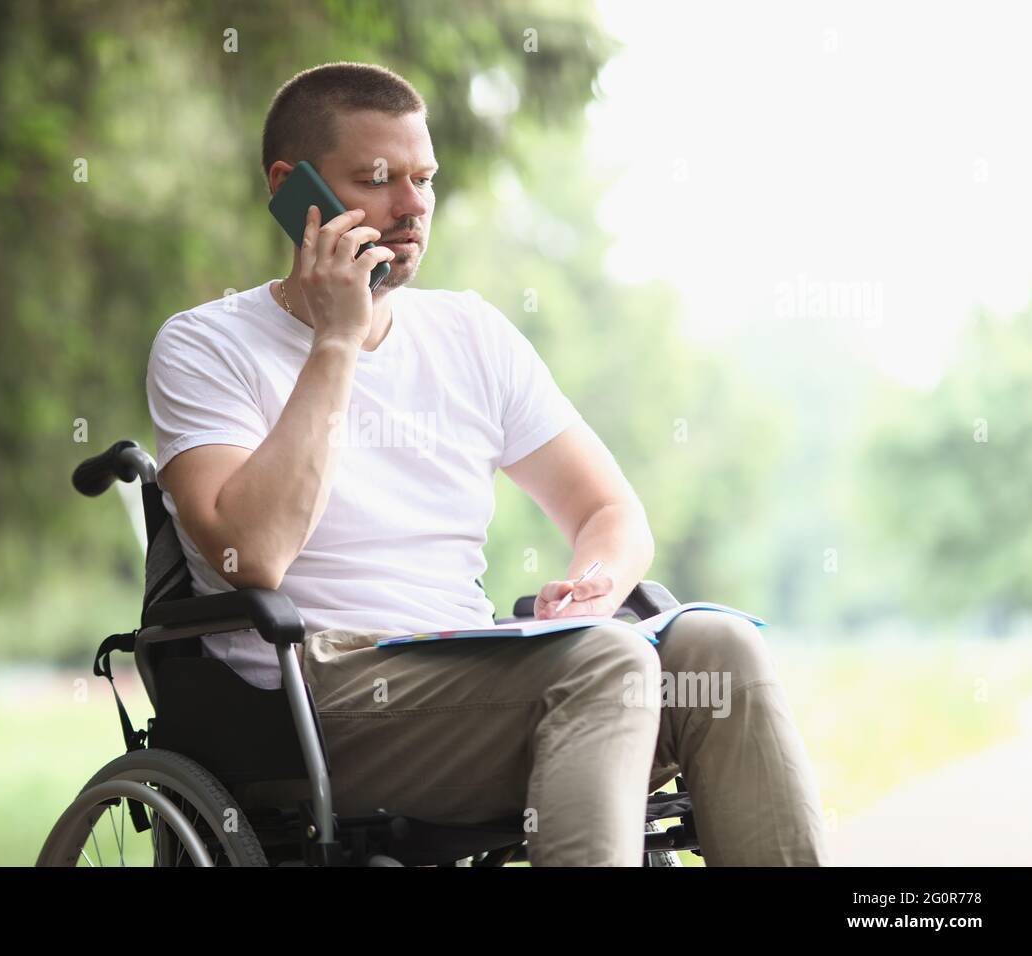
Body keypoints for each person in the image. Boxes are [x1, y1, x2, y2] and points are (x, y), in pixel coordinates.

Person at [146, 61, 829, 866]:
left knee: (720, 647)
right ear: (294, 191)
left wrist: (595, 585)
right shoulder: (204, 346)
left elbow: (610, 514)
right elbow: (250, 555)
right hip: (310, 702)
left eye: (423, 179)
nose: (411, 207)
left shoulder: (470, 334)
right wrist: (338, 338)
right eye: (377, 179)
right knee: (606, 661)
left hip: (475, 677)